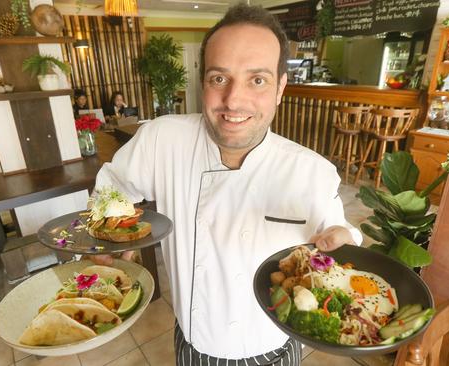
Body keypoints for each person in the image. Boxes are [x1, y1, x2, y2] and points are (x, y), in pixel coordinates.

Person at [91, 4, 361, 365]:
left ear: (281, 87)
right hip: (196, 344)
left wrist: (343, 241)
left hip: (274, 347)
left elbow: (340, 236)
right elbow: (113, 184)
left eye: (258, 80)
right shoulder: (161, 139)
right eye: (219, 78)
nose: (234, 100)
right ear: (203, 81)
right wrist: (108, 230)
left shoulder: (312, 171)